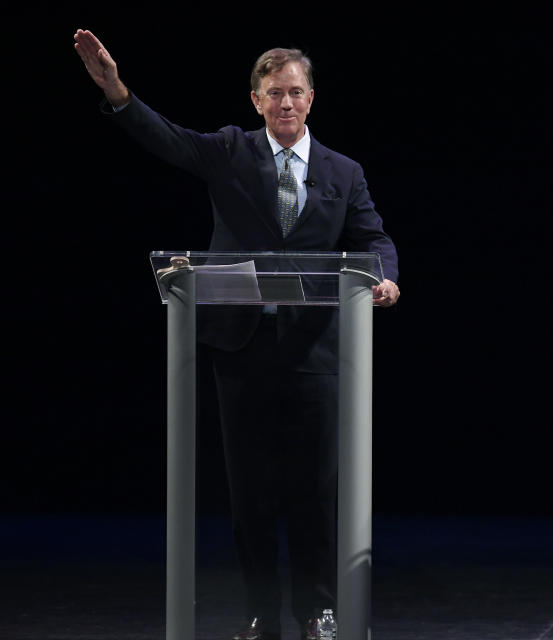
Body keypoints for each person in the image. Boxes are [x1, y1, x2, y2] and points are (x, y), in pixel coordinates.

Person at [74, 29, 399, 640]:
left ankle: (318, 611)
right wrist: (115, 89)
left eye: (296, 93)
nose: (286, 103)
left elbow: (373, 238)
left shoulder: (343, 171)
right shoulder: (228, 151)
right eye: (274, 93)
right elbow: (165, 138)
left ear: (311, 99)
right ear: (255, 100)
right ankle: (261, 614)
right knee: (250, 493)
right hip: (242, 348)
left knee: (316, 492)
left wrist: (385, 279)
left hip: (314, 352)